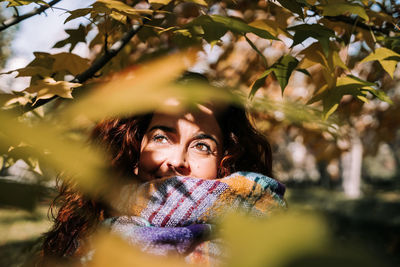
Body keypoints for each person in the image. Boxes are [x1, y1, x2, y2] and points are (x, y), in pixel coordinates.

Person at [39, 74, 286, 265]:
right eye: (161, 138)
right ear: (135, 150)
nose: (177, 161)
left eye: (202, 146)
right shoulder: (87, 231)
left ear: (224, 163)